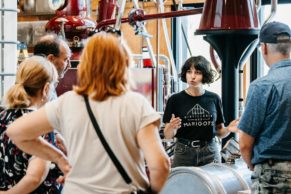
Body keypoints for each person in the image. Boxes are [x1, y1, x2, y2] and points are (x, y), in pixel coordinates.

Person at [7, 32, 170, 194]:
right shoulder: (136, 104)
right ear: (125, 63)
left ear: (86, 64)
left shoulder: (66, 102)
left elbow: (16, 132)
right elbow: (160, 164)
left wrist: (59, 159)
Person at [237, 21, 291, 193]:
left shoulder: (262, 86)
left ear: (264, 48)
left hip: (273, 175)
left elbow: (245, 144)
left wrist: (252, 165)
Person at [163, 55, 238, 167]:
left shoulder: (214, 98)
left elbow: (219, 132)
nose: (192, 76)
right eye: (189, 72)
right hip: (184, 152)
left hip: (210, 151)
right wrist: (171, 128)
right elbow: (168, 136)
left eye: (197, 72)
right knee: (181, 183)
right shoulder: (175, 99)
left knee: (213, 183)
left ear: (205, 75)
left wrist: (228, 129)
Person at [0, 56, 60, 193]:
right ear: (45, 89)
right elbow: (35, 178)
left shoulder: (2, 117)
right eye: (54, 85)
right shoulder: (40, 125)